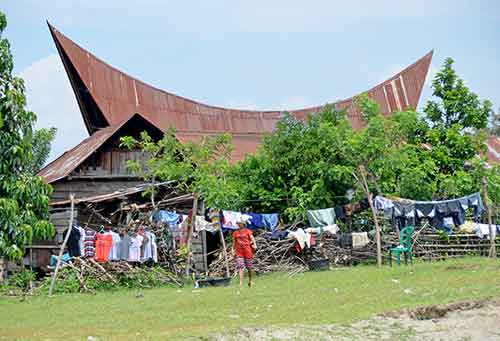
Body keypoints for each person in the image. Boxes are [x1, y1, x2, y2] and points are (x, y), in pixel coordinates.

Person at [232, 218, 257, 287]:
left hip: (247, 251)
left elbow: (252, 238)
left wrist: (254, 244)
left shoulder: (248, 231)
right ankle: (241, 283)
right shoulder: (235, 233)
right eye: (238, 223)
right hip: (239, 251)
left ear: (243, 224)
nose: (239, 224)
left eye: (240, 223)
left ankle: (250, 281)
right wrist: (232, 250)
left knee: (249, 267)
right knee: (240, 267)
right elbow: (234, 242)